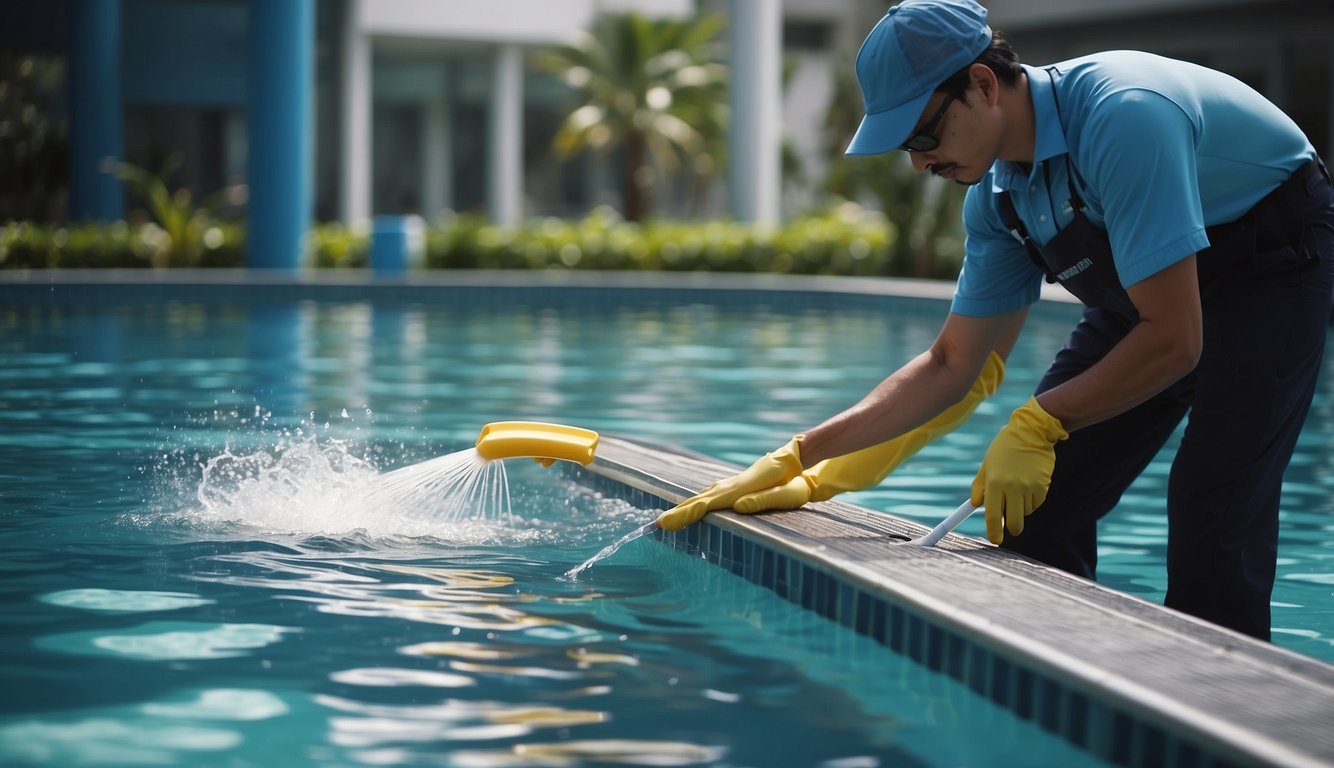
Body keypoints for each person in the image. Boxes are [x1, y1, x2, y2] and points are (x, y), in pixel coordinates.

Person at [655, 0, 1334, 642]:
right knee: (1032, 502)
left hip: (1270, 263)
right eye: (905, 148)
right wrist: (806, 458)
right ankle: (1069, 681)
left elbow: (1176, 338)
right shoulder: (998, 196)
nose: (920, 162)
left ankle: (1215, 717)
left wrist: (1040, 420)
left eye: (923, 134)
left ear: (983, 85)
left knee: (1212, 507)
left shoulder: (1123, 116)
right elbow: (954, 364)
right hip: (1154, 294)